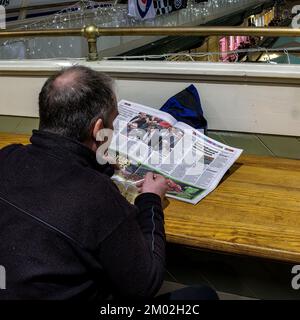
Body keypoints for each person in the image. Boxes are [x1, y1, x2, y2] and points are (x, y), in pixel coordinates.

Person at [0, 66, 218, 301]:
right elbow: (145, 284)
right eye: (112, 124)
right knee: (202, 296)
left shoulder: (7, 157)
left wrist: (98, 162)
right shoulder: (96, 194)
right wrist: (151, 200)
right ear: (97, 130)